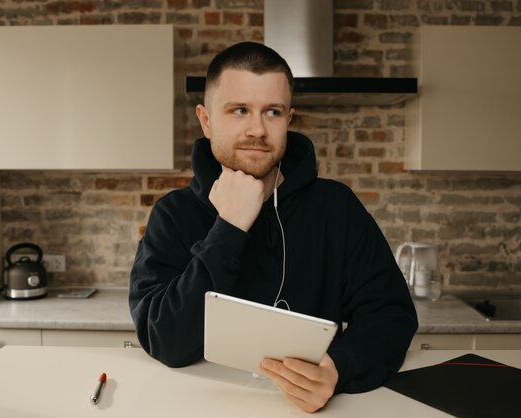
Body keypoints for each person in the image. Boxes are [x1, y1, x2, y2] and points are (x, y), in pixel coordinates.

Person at [129, 41, 418, 413]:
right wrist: (229, 227)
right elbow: (163, 339)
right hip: (202, 407)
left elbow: (391, 315)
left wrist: (336, 370)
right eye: (239, 110)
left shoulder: (336, 207)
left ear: (289, 119)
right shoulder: (173, 214)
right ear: (205, 120)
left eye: (273, 112)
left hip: (308, 410)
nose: (257, 129)